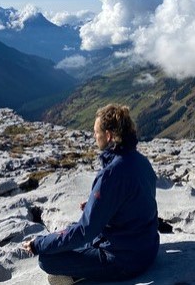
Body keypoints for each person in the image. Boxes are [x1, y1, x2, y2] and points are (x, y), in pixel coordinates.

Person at [21, 104, 159, 284]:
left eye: (96, 132)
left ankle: (80, 273)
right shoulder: (141, 161)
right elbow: (138, 203)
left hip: (124, 260)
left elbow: (85, 231)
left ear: (108, 135)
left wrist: (38, 244)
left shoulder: (112, 173)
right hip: (147, 248)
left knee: (47, 258)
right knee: (72, 233)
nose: (94, 136)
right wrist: (102, 208)